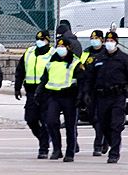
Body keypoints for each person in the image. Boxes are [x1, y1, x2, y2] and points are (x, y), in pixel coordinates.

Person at [84, 31, 128, 164]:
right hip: (101, 97)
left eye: (112, 41)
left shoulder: (124, 59)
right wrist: (86, 94)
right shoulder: (98, 59)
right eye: (107, 41)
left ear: (116, 42)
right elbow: (89, 78)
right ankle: (109, 142)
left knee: (115, 125)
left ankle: (114, 153)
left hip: (118, 96)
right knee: (103, 124)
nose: (109, 44)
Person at [36, 36, 84, 162]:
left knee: (70, 126)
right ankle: (57, 149)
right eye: (59, 47)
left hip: (70, 96)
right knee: (51, 122)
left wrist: (81, 97)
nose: (60, 49)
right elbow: (44, 79)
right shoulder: (52, 61)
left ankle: (70, 152)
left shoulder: (75, 63)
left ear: (68, 48)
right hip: (54, 96)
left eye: (63, 47)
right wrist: (39, 92)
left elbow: (82, 81)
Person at [14, 30, 54, 158]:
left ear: (48, 41)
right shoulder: (29, 52)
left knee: (45, 120)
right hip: (31, 92)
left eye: (42, 39)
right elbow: (20, 70)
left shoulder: (53, 53)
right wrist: (17, 87)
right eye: (38, 39)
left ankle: (43, 148)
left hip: (46, 92)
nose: (39, 42)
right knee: (30, 119)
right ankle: (44, 138)